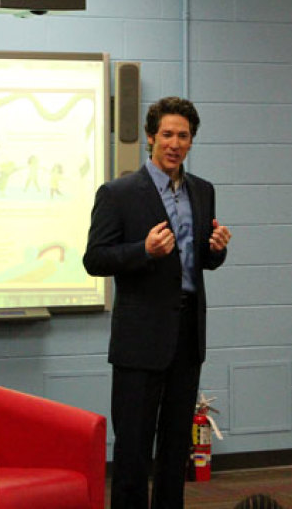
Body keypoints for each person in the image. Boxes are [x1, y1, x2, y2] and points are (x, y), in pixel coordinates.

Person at [83, 96, 231, 508]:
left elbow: (200, 261)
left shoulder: (202, 191)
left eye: (183, 136)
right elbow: (95, 259)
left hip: (187, 334)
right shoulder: (118, 193)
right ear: (150, 137)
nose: (175, 143)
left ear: (191, 141)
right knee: (133, 448)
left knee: (175, 446)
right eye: (167, 134)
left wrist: (216, 250)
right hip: (140, 338)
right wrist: (143, 250)